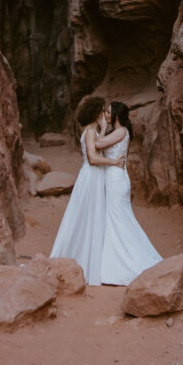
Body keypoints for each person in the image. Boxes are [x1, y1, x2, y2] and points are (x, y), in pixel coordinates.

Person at [49, 95, 124, 285]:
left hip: (93, 176)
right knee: (87, 217)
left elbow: (98, 146)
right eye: (102, 111)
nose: (104, 114)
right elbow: (93, 158)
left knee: (91, 218)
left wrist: (104, 129)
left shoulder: (92, 130)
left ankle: (89, 262)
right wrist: (114, 161)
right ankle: (82, 263)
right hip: (91, 176)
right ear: (97, 112)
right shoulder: (90, 131)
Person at [94, 100, 162, 285]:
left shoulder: (121, 131)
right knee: (115, 217)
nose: (106, 115)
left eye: (108, 113)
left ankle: (128, 262)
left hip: (116, 179)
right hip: (113, 176)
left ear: (116, 115)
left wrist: (100, 128)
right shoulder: (117, 132)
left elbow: (98, 145)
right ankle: (111, 262)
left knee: (117, 218)